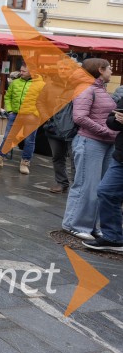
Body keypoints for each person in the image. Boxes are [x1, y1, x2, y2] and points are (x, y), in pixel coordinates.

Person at [62, 58, 118, 240]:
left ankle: (92, 226)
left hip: (105, 143)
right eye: (109, 68)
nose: (112, 71)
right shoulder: (87, 89)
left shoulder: (99, 89)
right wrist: (105, 131)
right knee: (86, 184)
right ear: (100, 70)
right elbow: (80, 117)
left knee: (101, 187)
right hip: (90, 142)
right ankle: (74, 225)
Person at [82, 96, 123, 253]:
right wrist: (117, 120)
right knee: (106, 191)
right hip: (120, 157)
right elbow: (110, 120)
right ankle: (113, 238)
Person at [0, 63, 44, 174]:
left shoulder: (41, 85)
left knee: (29, 141)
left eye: (24, 71)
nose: (21, 72)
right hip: (15, 115)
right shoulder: (15, 83)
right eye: (21, 70)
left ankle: (25, 163)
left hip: (31, 117)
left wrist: (36, 114)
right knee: (7, 138)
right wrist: (10, 111)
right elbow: (8, 97)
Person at [39, 60, 79, 194]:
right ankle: (61, 183)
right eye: (60, 68)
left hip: (73, 128)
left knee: (75, 158)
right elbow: (40, 102)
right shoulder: (49, 85)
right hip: (53, 127)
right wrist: (47, 118)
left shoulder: (78, 85)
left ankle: (76, 185)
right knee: (57, 156)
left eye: (66, 68)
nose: (62, 71)